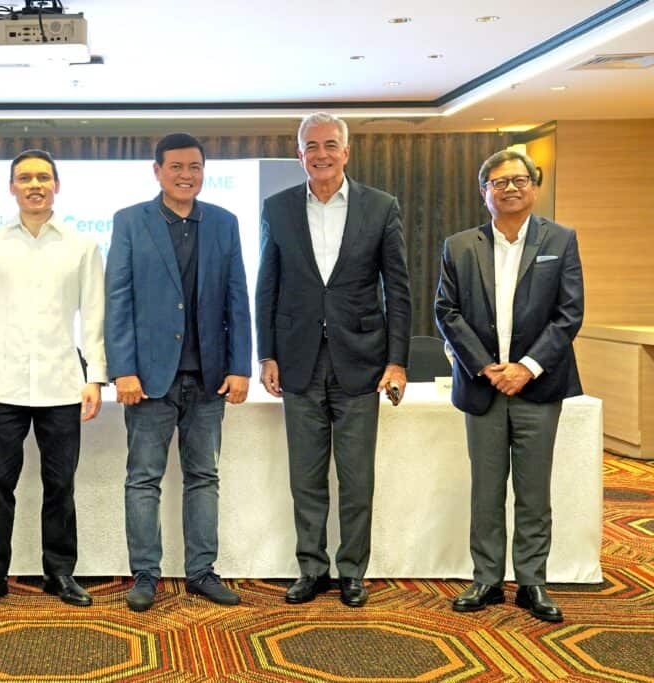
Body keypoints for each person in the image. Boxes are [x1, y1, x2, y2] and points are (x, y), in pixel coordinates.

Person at [254, 112, 411, 608]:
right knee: (306, 476)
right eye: (310, 146)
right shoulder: (277, 208)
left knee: (356, 477)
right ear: (299, 154)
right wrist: (267, 354)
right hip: (298, 362)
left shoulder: (381, 207)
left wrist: (397, 361)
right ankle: (310, 568)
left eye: (330, 145)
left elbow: (398, 290)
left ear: (346, 151)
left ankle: (352, 572)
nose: (320, 154)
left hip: (361, 363)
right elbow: (267, 286)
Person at [105, 132, 252, 612]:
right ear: (157, 171)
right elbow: (118, 300)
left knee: (203, 476)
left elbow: (237, 298)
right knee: (143, 479)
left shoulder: (225, 223)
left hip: (209, 378)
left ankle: (201, 572)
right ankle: (145, 574)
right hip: (147, 379)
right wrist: (122, 369)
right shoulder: (130, 221)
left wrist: (240, 366)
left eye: (195, 167)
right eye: (176, 167)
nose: (186, 175)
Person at [436, 149, 583, 623]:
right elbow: (447, 312)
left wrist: (527, 366)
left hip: (538, 387)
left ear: (534, 186)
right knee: (486, 489)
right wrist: (485, 366)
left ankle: (533, 582)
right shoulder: (459, 246)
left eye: (520, 179)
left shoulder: (561, 239)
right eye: (499, 182)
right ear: (485, 192)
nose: (511, 188)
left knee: (534, 491)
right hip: (483, 388)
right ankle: (486, 579)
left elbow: (568, 314)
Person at [0, 149, 106, 610]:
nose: (34, 185)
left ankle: (60, 573)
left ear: (57, 186)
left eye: (43, 177)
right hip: (1, 387)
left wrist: (95, 378)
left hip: (63, 384)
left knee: (60, 485)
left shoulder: (82, 246)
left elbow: (95, 318)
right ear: (11, 188)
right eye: (24, 178)